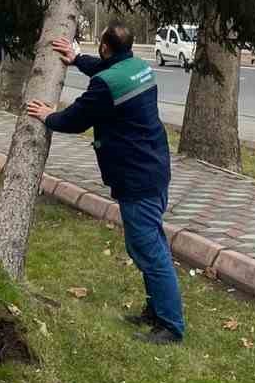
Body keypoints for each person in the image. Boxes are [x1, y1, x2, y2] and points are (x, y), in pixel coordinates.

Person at [26, 23, 185, 344]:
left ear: (104, 47)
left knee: (149, 249)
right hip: (154, 167)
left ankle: (171, 325)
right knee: (147, 243)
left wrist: (47, 116)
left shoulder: (107, 84)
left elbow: (75, 120)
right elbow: (106, 70)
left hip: (136, 176)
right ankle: (156, 311)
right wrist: (76, 58)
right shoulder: (138, 67)